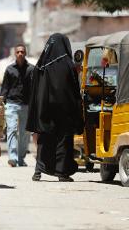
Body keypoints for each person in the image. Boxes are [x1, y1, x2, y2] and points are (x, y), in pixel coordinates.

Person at [26, 33, 84, 182]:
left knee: (44, 140)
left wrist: (38, 110)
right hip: (64, 111)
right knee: (63, 140)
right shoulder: (68, 64)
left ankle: (38, 171)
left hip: (45, 110)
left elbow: (35, 91)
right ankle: (62, 172)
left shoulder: (41, 65)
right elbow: (74, 89)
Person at [0, 45, 34, 167]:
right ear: (15, 54)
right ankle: (13, 158)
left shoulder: (31, 69)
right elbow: (4, 88)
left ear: (25, 53)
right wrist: (1, 104)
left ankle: (21, 158)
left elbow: (35, 89)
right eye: (18, 52)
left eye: (22, 52)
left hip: (26, 105)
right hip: (11, 104)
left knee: (25, 133)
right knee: (12, 130)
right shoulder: (9, 69)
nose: (20, 53)